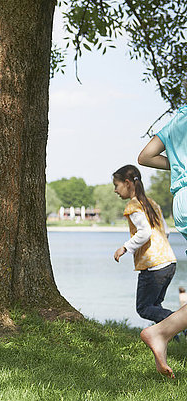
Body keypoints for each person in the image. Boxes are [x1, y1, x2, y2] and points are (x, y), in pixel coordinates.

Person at [138, 105, 187, 378]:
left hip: (181, 201)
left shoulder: (178, 118)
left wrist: (179, 165)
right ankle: (160, 331)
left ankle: (161, 332)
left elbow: (145, 156)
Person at [112, 164, 177, 325]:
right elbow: (166, 231)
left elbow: (144, 232)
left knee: (144, 308)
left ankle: (182, 322)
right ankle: (170, 338)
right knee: (156, 306)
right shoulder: (151, 203)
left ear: (127, 183)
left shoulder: (133, 205)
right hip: (169, 262)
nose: (115, 190)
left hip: (154, 266)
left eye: (116, 185)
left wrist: (125, 247)